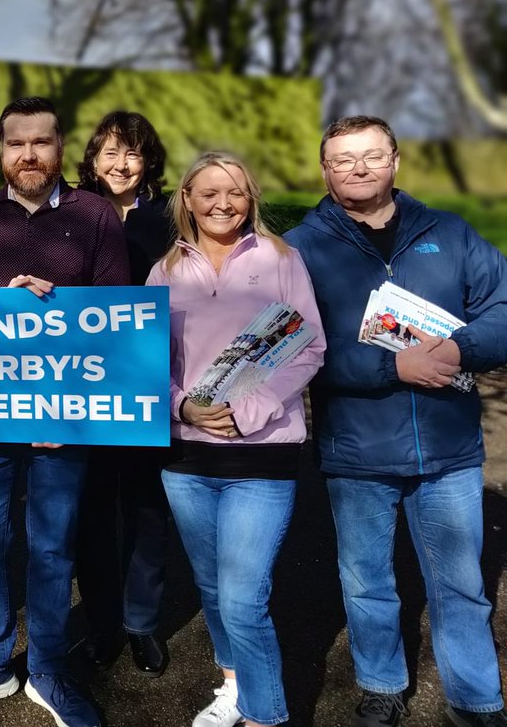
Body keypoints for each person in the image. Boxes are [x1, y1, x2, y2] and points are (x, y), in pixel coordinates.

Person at [285, 116, 507, 727]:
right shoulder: (301, 249)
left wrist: (459, 349)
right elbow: (296, 345)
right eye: (343, 159)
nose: (358, 168)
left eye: (371, 155)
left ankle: (476, 698)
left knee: (461, 586)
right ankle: (382, 686)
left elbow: (502, 308)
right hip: (357, 451)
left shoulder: (451, 233)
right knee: (366, 584)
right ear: (324, 169)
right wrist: (391, 368)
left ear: (396, 161)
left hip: (449, 447)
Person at [0, 97, 129, 727]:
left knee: (52, 546)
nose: (29, 155)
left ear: (61, 147)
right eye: (17, 144)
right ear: (2, 149)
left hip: (64, 418)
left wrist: (64, 394)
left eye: (41, 142)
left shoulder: (95, 215)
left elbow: (119, 314)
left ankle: (46, 666)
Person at [146, 151, 325, 727]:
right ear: (187, 201)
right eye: (209, 193)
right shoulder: (163, 272)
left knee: (245, 597)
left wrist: (250, 409)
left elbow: (310, 347)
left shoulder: (280, 259)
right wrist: (185, 408)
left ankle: (265, 714)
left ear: (251, 199)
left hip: (263, 455)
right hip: (186, 457)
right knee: (212, 586)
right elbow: (146, 363)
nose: (223, 204)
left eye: (236, 192)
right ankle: (232, 682)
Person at [73, 110, 175, 675]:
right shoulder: (71, 216)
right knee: (89, 511)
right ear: (91, 160)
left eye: (132, 152)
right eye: (109, 152)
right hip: (83, 389)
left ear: (148, 161)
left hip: (146, 386)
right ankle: (101, 624)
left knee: (144, 510)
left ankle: (142, 624)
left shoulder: (168, 221)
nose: (120, 163)